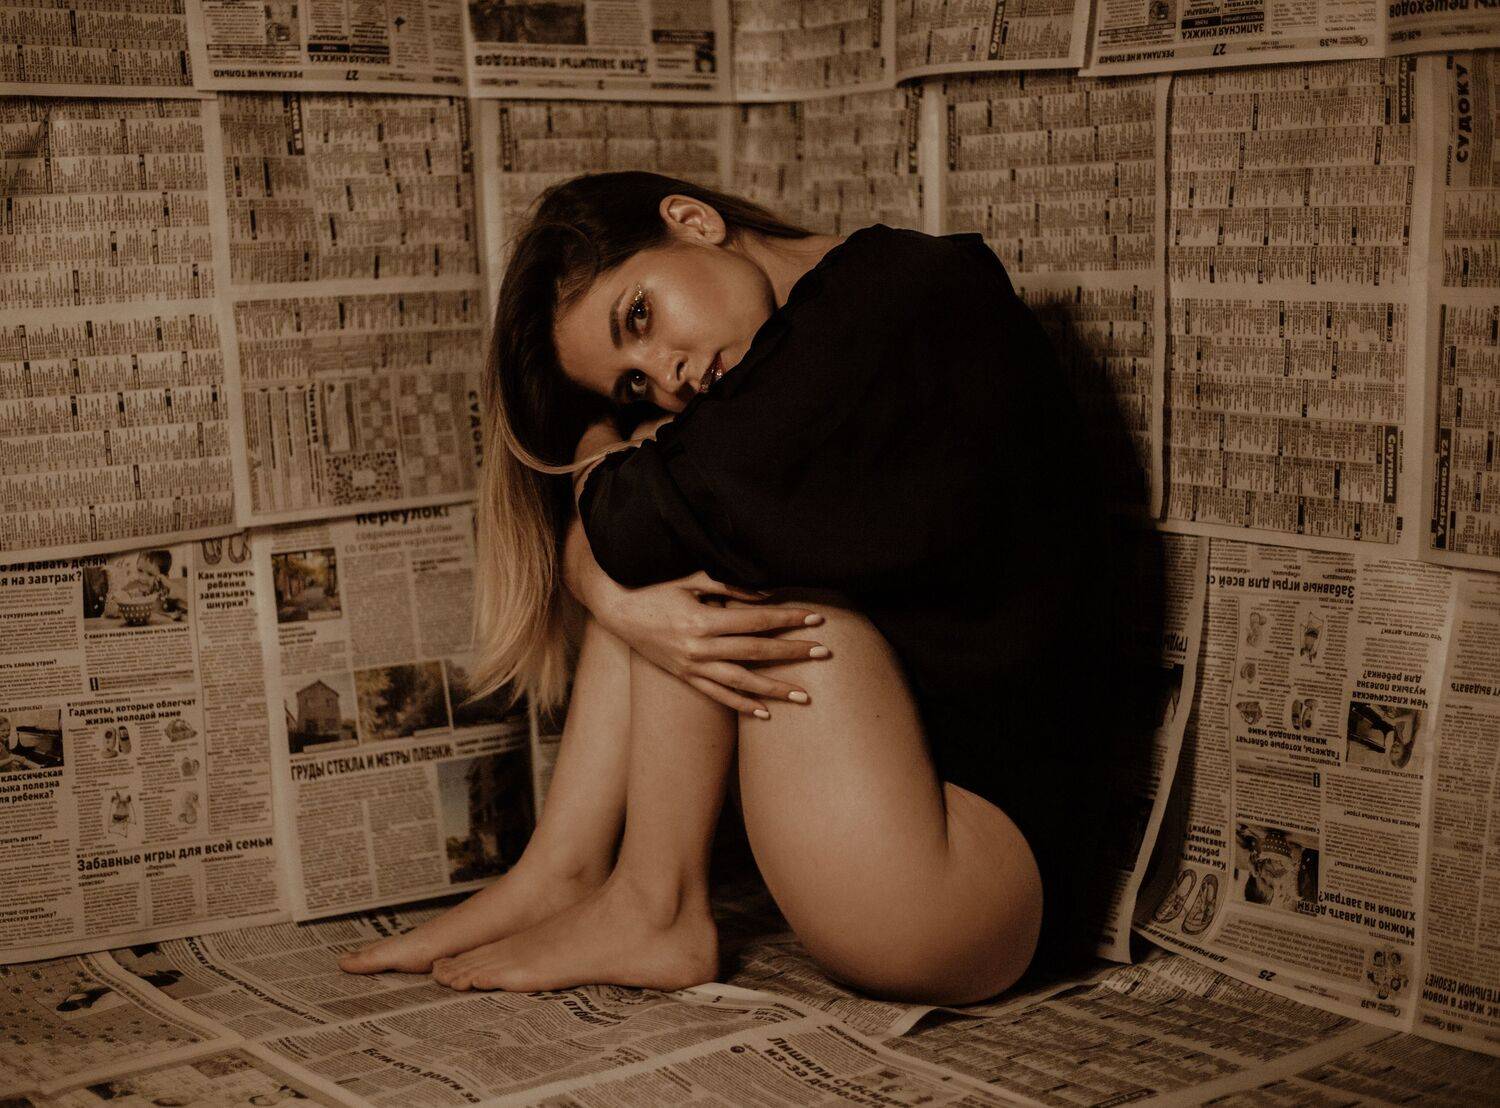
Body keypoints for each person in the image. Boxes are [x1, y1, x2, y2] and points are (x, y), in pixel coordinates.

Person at [340, 171, 1149, 1003]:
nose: (666, 373)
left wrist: (600, 529)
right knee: (673, 490)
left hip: (967, 892)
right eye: (631, 382)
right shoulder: (813, 350)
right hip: (922, 835)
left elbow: (637, 523)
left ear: (692, 220)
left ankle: (655, 904)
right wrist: (612, 563)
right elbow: (640, 507)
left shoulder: (890, 297)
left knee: (690, 534)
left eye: (639, 316)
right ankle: (562, 869)